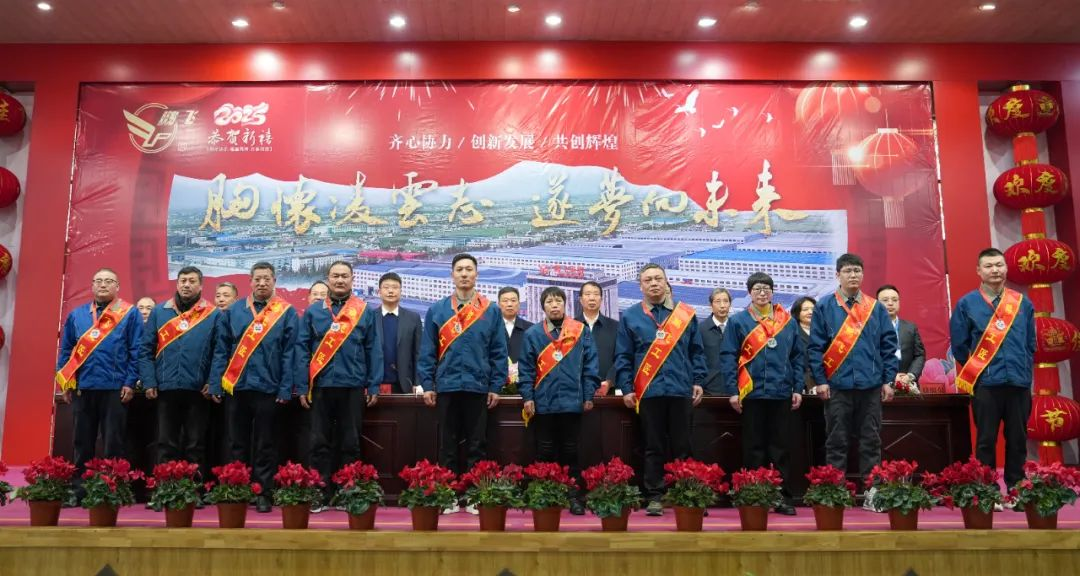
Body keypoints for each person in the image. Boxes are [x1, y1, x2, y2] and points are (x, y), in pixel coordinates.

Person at [417, 254, 508, 514]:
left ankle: (475, 495)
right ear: (452, 275)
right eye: (459, 270)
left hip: (478, 387)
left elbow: (498, 352)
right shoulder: (438, 310)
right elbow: (427, 352)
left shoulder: (490, 310)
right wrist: (428, 384)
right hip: (446, 386)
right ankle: (448, 496)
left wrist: (495, 386)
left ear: (476, 274)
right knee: (447, 444)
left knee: (477, 444)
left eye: (469, 269)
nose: (464, 274)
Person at [614, 264, 707, 516]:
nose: (654, 283)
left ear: (666, 283)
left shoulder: (685, 314)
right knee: (652, 446)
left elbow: (697, 351)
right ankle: (654, 495)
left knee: (683, 446)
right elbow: (623, 356)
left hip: (680, 389)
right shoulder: (631, 316)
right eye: (648, 280)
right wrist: (626, 388)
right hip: (648, 392)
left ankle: (685, 494)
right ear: (640, 286)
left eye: (658, 279)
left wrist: (698, 380)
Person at [807, 254, 898, 511]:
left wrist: (888, 380)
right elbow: (815, 348)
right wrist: (820, 380)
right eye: (848, 271)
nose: (853, 275)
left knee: (871, 441)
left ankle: (872, 492)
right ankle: (836, 493)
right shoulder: (825, 306)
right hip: (837, 386)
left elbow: (888, 346)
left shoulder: (875, 307)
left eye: (857, 270)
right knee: (836, 441)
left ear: (863, 274)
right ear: (838, 275)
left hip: (870, 386)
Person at [209, 262, 299, 513]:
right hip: (236, 387)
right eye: (257, 279)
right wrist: (216, 383)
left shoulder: (286, 312)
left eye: (266, 278)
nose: (262, 283)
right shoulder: (234, 311)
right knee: (235, 442)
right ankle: (237, 489)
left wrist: (285, 388)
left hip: (269, 388)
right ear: (250, 281)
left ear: (274, 281)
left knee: (265, 443)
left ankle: (262, 492)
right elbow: (221, 350)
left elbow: (289, 353)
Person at [296, 261, 382, 512]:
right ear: (328, 279)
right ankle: (319, 493)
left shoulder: (364, 311)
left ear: (352, 279)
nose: (340, 280)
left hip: (352, 386)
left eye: (345, 276)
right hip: (320, 387)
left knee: (350, 443)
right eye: (335, 276)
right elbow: (301, 351)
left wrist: (373, 385)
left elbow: (373, 350)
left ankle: (348, 493)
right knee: (318, 442)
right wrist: (302, 386)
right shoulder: (313, 312)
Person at [949, 248, 1035, 491]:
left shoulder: (1022, 303)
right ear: (979, 271)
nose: (995, 270)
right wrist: (976, 372)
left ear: (1006, 268)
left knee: (1018, 439)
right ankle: (987, 490)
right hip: (986, 384)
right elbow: (959, 345)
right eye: (988, 266)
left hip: (1018, 383)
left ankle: (1017, 487)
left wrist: (1024, 370)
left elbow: (1030, 343)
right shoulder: (967, 304)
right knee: (986, 440)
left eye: (999, 265)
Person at [55, 268, 142, 501]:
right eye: (99, 281)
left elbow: (136, 350)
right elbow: (66, 351)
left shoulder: (129, 313)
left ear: (117, 286)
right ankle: (79, 490)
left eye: (109, 281)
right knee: (82, 442)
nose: (103, 285)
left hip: (115, 389)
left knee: (114, 442)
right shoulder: (77, 315)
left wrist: (130, 382)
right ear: (92, 285)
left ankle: (112, 489)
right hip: (83, 388)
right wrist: (66, 382)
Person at [720, 272, 802, 516]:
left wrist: (798, 387)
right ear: (749, 293)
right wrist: (732, 391)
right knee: (753, 448)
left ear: (773, 292)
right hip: (751, 394)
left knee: (780, 448)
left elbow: (798, 357)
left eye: (767, 288)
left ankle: (782, 497)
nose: (762, 292)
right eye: (757, 288)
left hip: (781, 393)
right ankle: (754, 496)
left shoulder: (788, 322)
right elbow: (728, 357)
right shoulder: (738, 321)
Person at [519, 286, 600, 516]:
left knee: (570, 451)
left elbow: (591, 367)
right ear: (542, 306)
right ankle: (544, 494)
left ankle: (573, 496)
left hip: (572, 403)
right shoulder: (533, 334)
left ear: (565, 304)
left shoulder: (580, 331)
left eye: (558, 301)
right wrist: (527, 397)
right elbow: (526, 370)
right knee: (544, 451)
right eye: (549, 302)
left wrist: (588, 395)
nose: (554, 305)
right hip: (543, 404)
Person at [138, 266, 218, 480]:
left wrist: (213, 381)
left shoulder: (213, 314)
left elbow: (219, 352)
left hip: (198, 390)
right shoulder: (159, 312)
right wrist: (149, 381)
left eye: (192, 281)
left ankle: (195, 489)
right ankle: (165, 489)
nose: (186, 285)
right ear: (177, 283)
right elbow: (145, 350)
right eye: (183, 280)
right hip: (165, 389)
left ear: (201, 285)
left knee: (195, 444)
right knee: (165, 443)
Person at [375, 272, 422, 394]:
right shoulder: (369, 317)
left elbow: (418, 353)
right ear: (379, 291)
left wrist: (418, 382)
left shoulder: (413, 318)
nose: (390, 291)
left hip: (405, 384)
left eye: (395, 287)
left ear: (401, 291)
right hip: (375, 385)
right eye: (386, 287)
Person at [876, 285, 926, 391]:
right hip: (881, 385)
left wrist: (910, 376)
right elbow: (870, 358)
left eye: (894, 300)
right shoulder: (871, 328)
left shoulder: (910, 327)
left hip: (908, 384)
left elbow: (919, 355)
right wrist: (891, 376)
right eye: (885, 300)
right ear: (876, 304)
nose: (890, 303)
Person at [575, 281, 619, 396]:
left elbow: (621, 357)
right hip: (576, 392)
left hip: (608, 391)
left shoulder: (615, 327)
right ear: (580, 299)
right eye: (587, 294)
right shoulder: (570, 327)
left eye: (596, 294)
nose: (592, 298)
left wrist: (609, 381)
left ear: (601, 299)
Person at [700, 288, 732, 395]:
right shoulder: (700, 330)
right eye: (718, 302)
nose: (722, 306)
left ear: (730, 304)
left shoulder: (737, 328)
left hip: (734, 391)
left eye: (726, 301)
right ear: (711, 305)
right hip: (707, 391)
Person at [499, 286, 533, 388]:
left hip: (524, 384)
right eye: (505, 301)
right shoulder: (491, 328)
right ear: (499, 304)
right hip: (495, 386)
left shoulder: (531, 329)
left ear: (519, 304)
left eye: (513, 300)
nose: (509, 304)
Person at [790, 297, 817, 393]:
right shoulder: (791, 332)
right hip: (800, 384)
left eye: (813, 309)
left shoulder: (824, 332)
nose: (810, 312)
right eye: (805, 310)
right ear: (797, 313)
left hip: (825, 383)